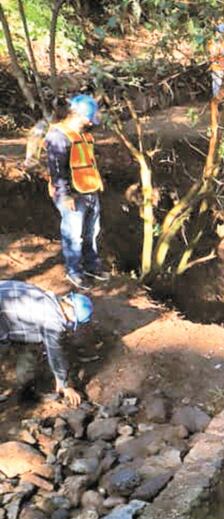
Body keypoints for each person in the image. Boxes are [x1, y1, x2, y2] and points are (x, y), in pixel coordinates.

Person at [45, 95, 106, 290]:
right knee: (73, 235)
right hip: (72, 195)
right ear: (78, 115)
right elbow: (57, 170)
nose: (91, 122)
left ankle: (91, 266)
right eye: (89, 118)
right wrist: (65, 195)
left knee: (92, 232)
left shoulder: (83, 134)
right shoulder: (58, 136)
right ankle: (74, 271)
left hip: (89, 189)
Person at [0, 280, 92, 406]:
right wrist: (65, 385)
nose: (70, 324)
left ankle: (26, 391)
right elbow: (55, 354)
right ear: (71, 312)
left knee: (30, 346)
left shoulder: (46, 298)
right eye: (72, 322)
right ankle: (24, 394)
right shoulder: (52, 320)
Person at [208, 23, 224, 99]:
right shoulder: (212, 43)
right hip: (216, 67)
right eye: (219, 33)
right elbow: (213, 54)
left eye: (222, 33)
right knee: (217, 85)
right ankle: (216, 100)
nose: (221, 35)